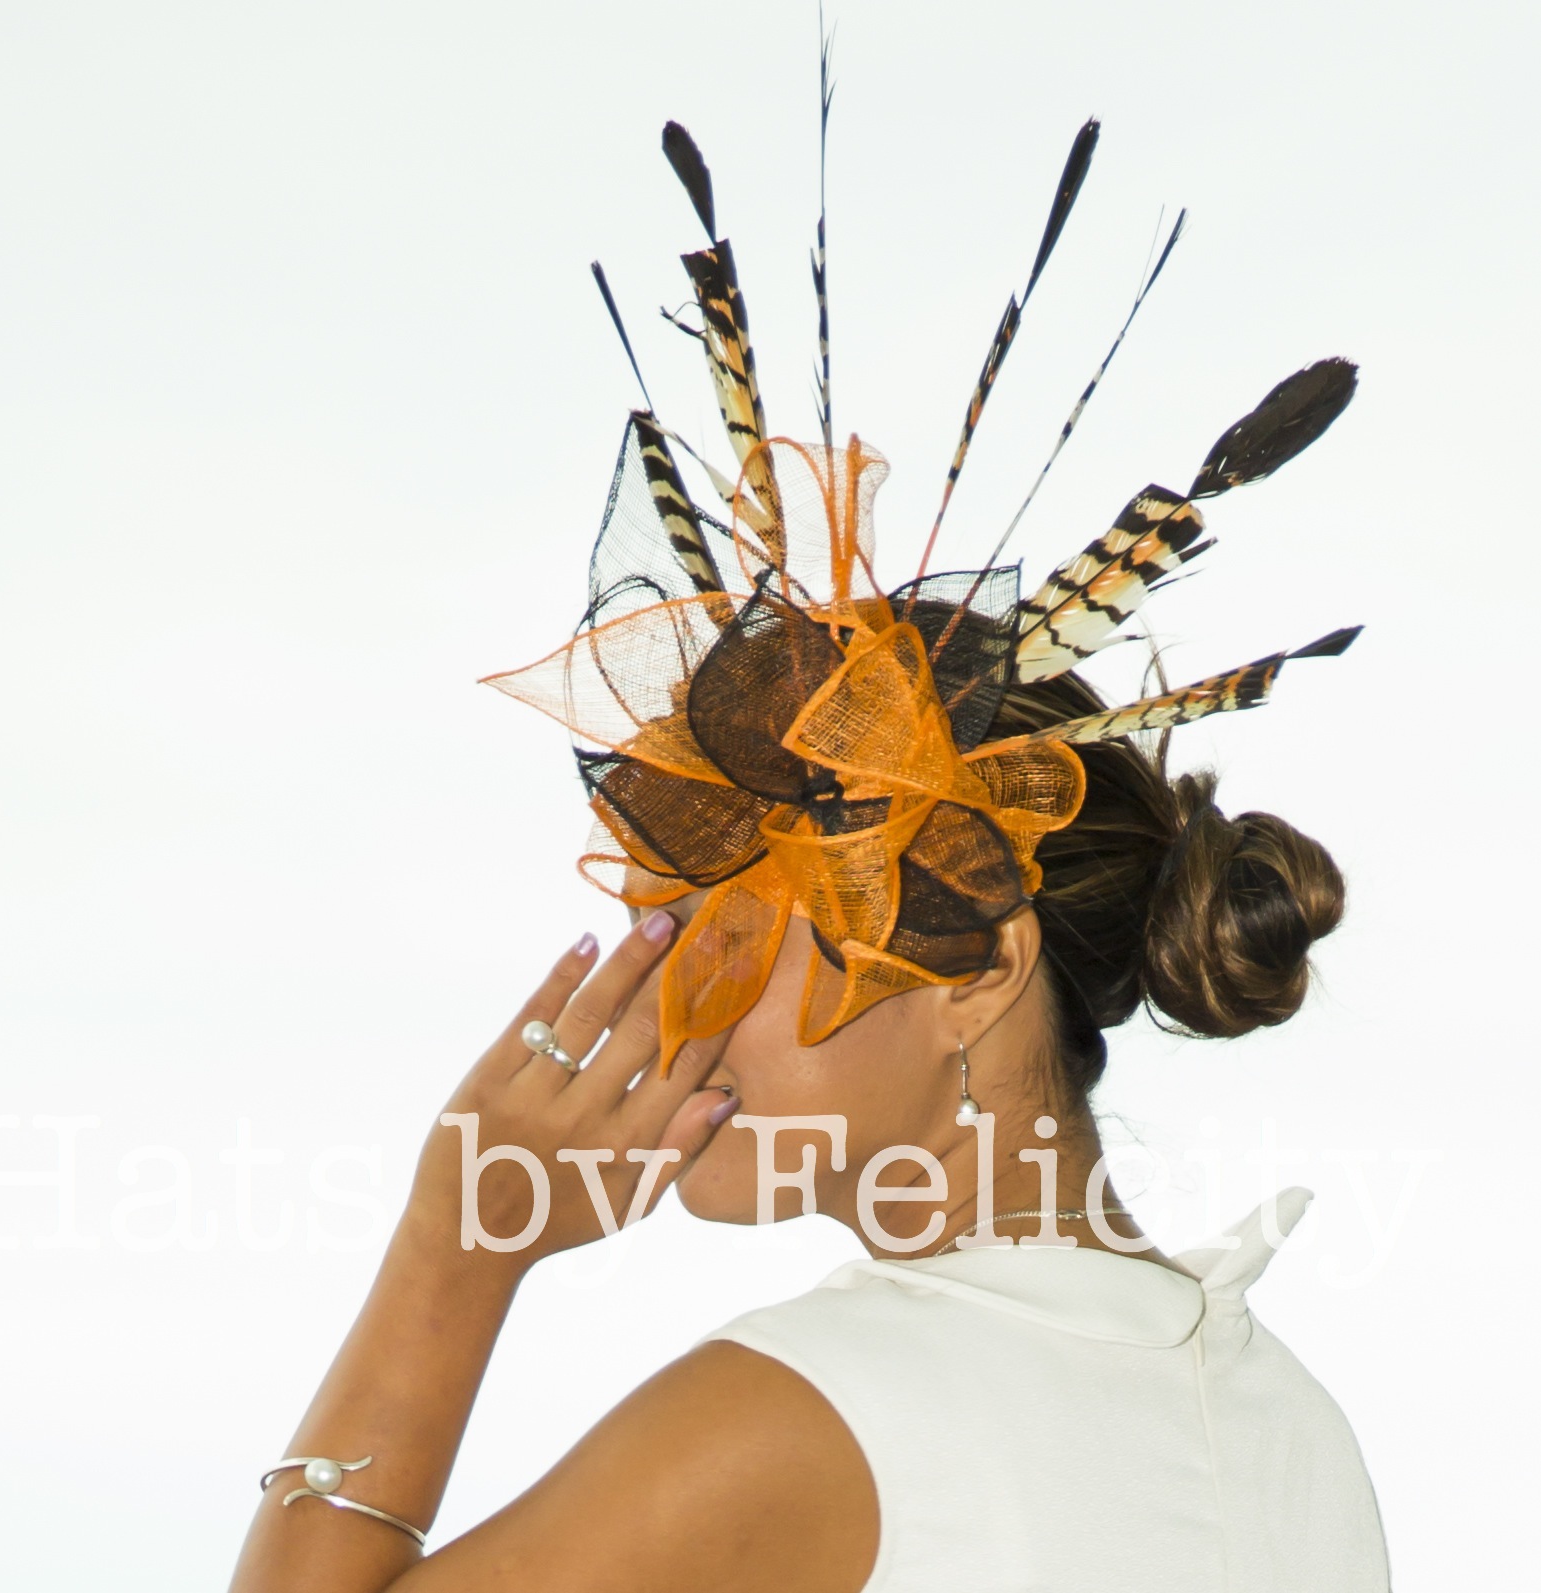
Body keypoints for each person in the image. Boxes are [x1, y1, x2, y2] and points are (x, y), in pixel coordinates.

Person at [229, 98, 1391, 1593]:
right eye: (660, 932)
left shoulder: (811, 1414)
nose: (666, 1015)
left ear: (976, 970)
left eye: (735, 933)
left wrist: (453, 1250)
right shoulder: (1295, 1429)